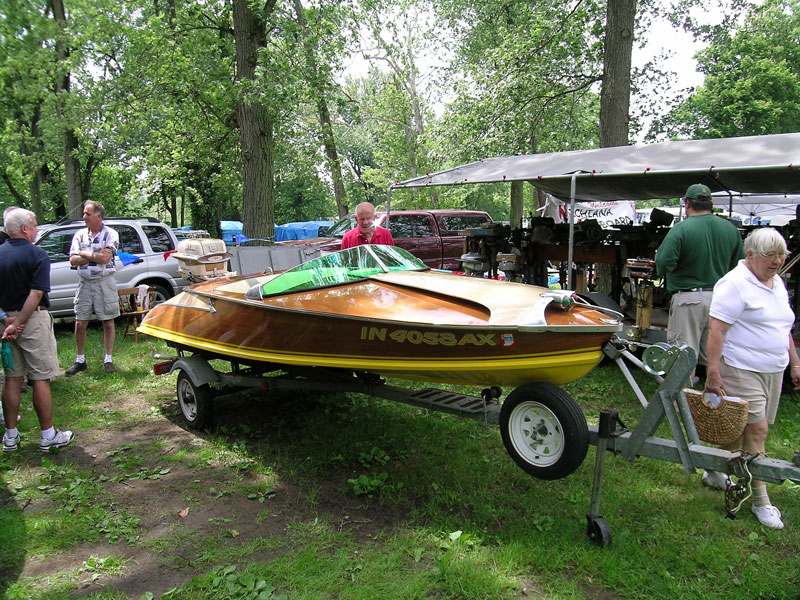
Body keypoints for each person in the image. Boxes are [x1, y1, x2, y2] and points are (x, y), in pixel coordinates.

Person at [703, 228, 799, 529]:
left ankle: (713, 469)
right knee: (758, 430)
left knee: (738, 431)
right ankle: (761, 501)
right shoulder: (733, 285)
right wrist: (713, 372)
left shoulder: (777, 283)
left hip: (774, 369)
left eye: (781, 255)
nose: (777, 262)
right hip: (742, 366)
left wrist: (795, 364)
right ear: (750, 255)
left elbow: (783, 327)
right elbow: (716, 330)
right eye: (770, 256)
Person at [0, 208, 74, 452]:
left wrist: (6, 319)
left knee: (12, 377)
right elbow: (36, 292)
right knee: (40, 378)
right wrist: (20, 321)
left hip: (4, 323)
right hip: (32, 320)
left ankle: (10, 437)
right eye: (33, 225)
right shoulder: (38, 255)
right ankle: (48, 435)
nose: (36, 230)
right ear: (24, 229)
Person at [655, 184, 744, 373]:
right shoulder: (730, 229)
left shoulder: (681, 229)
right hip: (721, 299)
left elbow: (663, 263)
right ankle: (715, 399)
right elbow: (739, 267)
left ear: (687, 204)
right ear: (710, 203)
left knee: (683, 358)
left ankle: (681, 401)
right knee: (715, 357)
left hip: (689, 300)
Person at [65, 200, 120, 375]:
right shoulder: (80, 235)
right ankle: (80, 360)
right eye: (84, 214)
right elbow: (72, 260)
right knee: (80, 323)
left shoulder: (111, 234)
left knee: (108, 322)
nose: (84, 217)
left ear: (98, 216)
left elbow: (105, 259)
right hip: (85, 283)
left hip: (105, 282)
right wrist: (94, 256)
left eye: (87, 214)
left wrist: (83, 253)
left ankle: (108, 359)